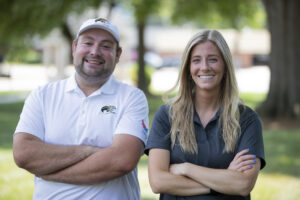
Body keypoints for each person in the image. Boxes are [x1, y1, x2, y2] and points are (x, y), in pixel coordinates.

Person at [13, 17, 149, 200]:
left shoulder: (132, 98)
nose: (95, 52)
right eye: (88, 43)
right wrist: (88, 151)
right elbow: (23, 154)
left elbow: (121, 161)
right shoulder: (43, 95)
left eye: (106, 46)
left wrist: (50, 173)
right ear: (74, 47)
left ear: (118, 55)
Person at [145, 30, 266, 200]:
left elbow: (243, 184)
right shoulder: (167, 116)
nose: (204, 67)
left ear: (225, 65)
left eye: (213, 59)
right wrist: (224, 180)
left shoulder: (247, 119)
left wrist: (185, 168)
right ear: (188, 68)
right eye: (196, 60)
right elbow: (158, 182)